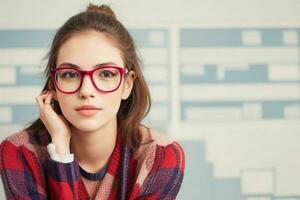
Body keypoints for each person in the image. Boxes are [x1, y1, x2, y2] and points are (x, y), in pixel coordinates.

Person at [0, 3, 185, 200]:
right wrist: (60, 150)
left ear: (127, 85)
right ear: (53, 86)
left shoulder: (161, 155)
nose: (86, 91)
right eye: (70, 74)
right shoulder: (19, 152)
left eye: (106, 73)